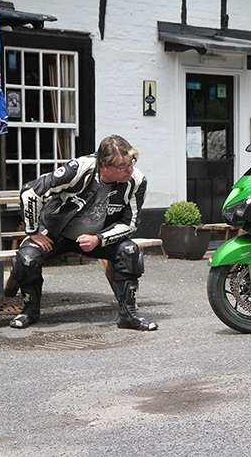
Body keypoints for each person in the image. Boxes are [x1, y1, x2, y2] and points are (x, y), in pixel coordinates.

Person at [10, 135, 157, 331]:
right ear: (104, 165)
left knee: (130, 251)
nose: (129, 170)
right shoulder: (79, 169)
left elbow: (129, 224)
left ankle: (128, 315)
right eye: (123, 167)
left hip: (99, 237)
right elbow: (30, 192)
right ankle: (30, 311)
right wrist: (34, 232)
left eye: (132, 163)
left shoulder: (136, 181)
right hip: (57, 234)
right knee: (26, 258)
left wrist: (99, 239)